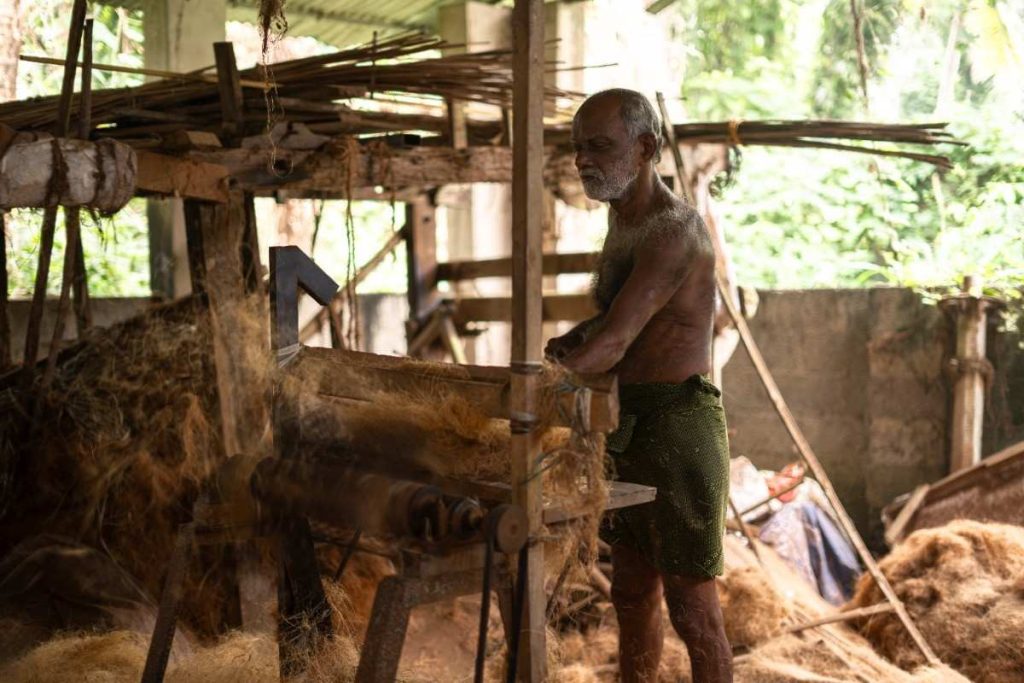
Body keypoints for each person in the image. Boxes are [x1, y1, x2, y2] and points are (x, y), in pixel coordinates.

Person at [545, 89, 732, 683]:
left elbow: (619, 342)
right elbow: (619, 319)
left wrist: (534, 394)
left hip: (679, 425)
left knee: (694, 612)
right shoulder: (622, 221)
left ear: (646, 147)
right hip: (626, 423)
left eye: (599, 146)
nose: (582, 161)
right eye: (578, 149)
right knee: (630, 591)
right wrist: (573, 339)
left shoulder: (672, 230)